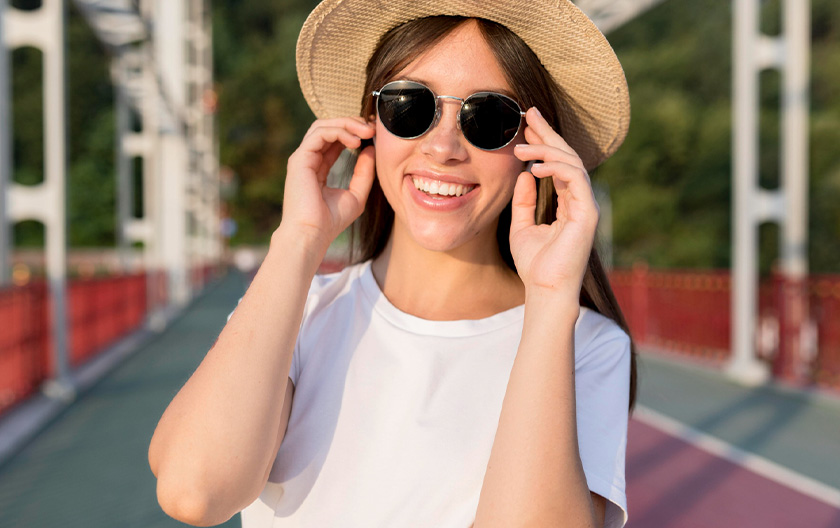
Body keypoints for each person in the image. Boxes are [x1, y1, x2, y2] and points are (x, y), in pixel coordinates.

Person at [148, 1, 638, 527]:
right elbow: (194, 490)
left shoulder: (582, 347)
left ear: (535, 148)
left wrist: (548, 302)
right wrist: (298, 240)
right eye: (411, 106)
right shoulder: (296, 313)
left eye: (489, 117)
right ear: (369, 124)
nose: (444, 147)